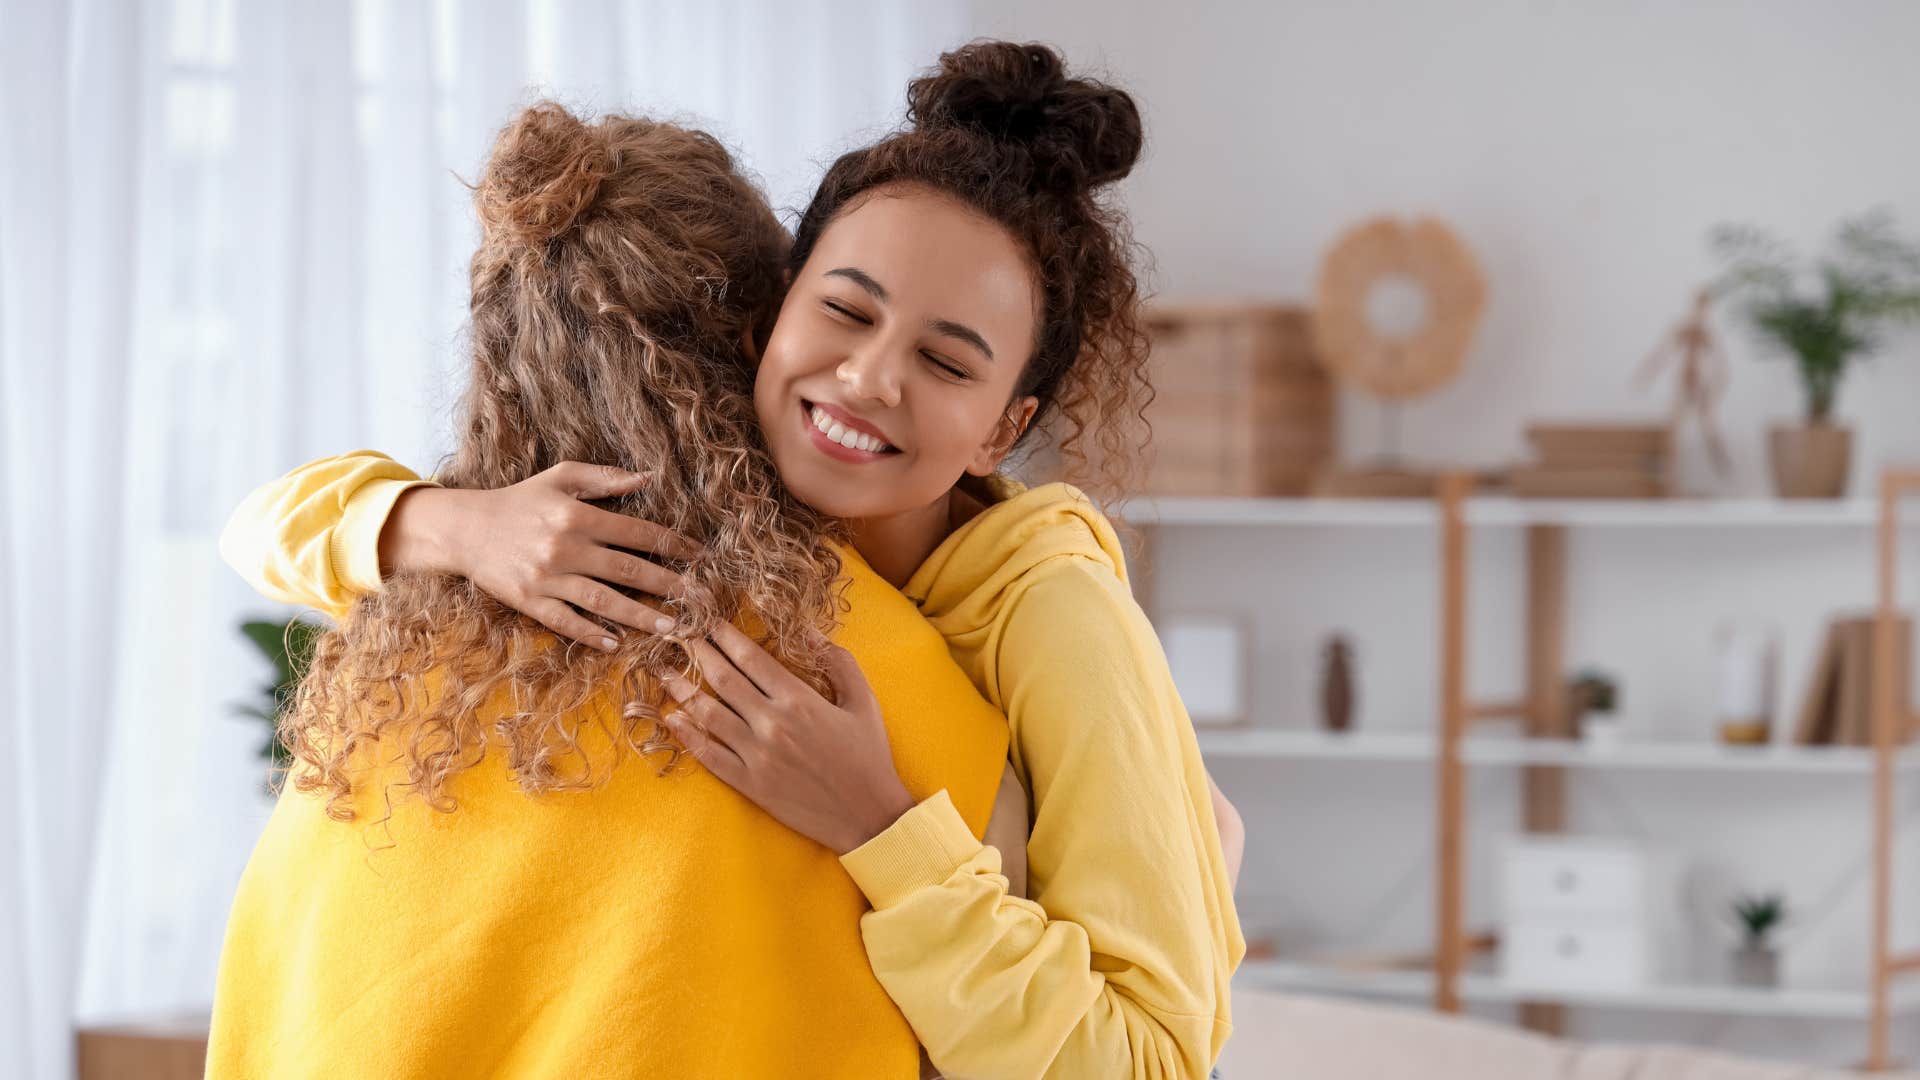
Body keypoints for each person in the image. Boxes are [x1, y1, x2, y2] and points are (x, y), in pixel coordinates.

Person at [226, 42, 1246, 1079]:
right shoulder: (723, 515)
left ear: (1002, 430)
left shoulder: (1055, 618)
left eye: (945, 362)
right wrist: (454, 528)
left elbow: (1155, 1058)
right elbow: (262, 526)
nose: (866, 379)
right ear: (770, 315)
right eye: (845, 310)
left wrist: (878, 824)